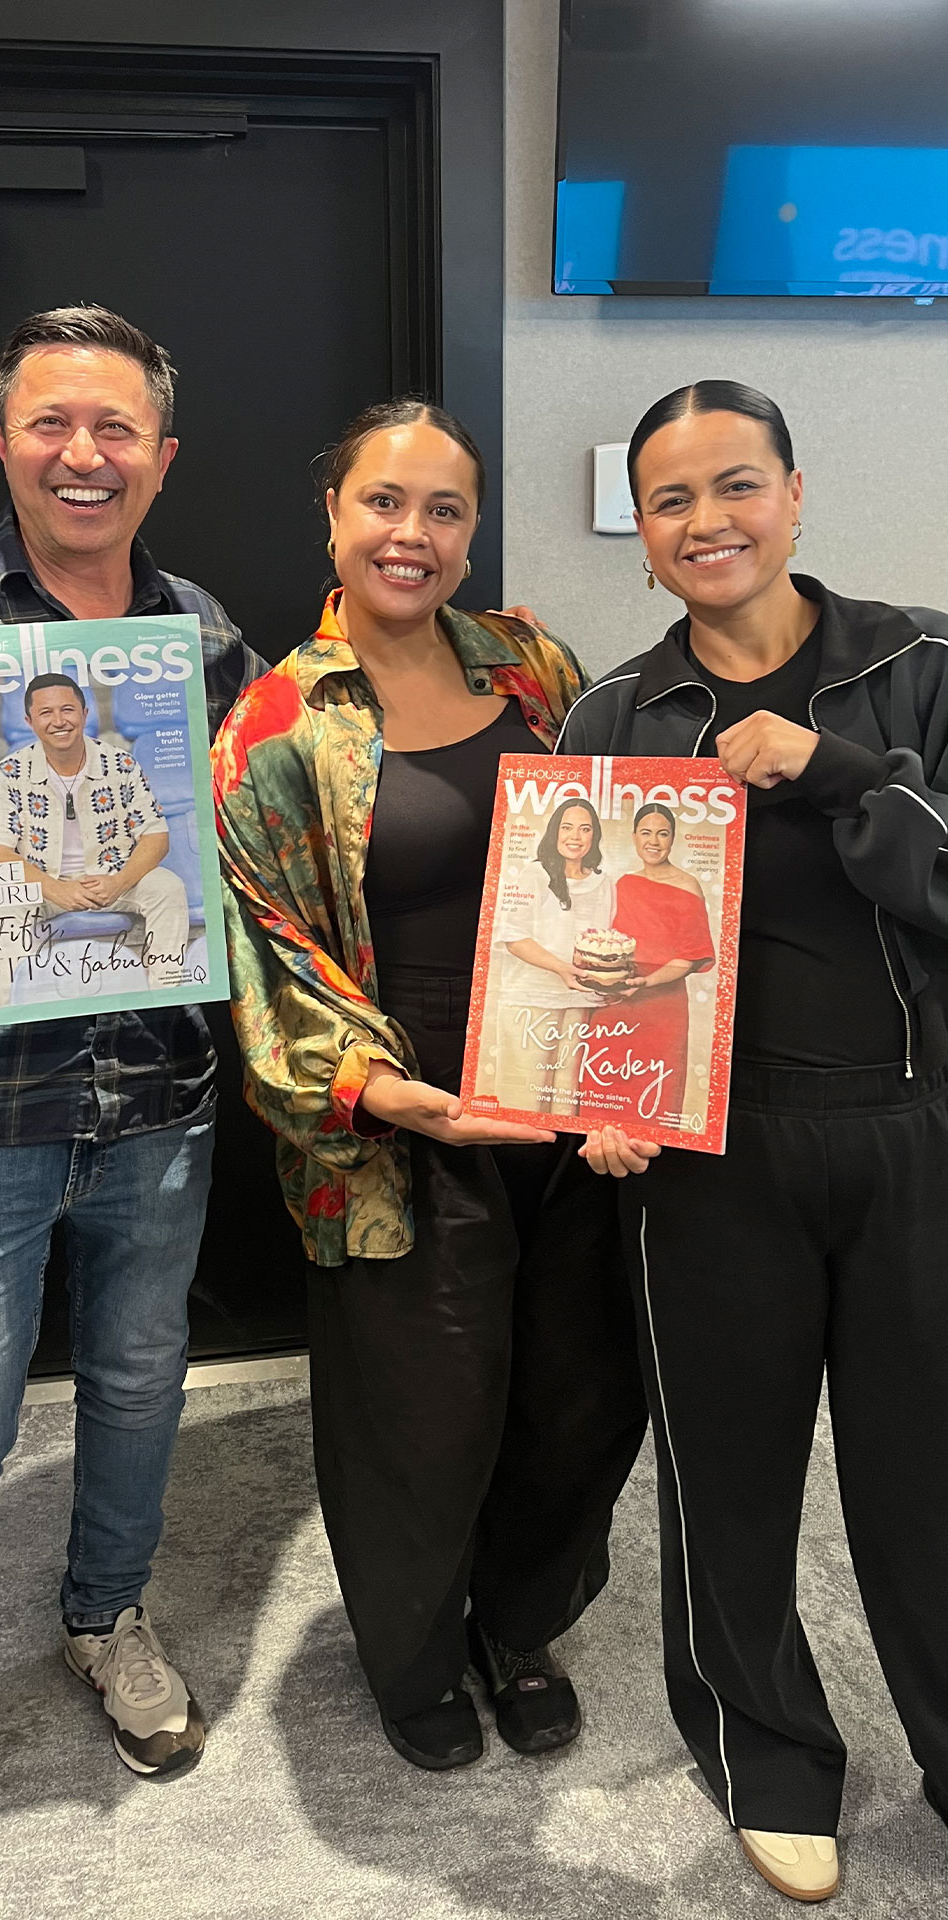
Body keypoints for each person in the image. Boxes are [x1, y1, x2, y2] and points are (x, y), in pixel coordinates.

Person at [0, 304, 266, 1902]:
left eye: (116, 431)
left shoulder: (202, 633)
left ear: (162, 461)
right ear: (4, 444)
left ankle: (106, 1617)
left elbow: (240, 852)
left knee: (143, 1384)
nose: (83, 455)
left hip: (157, 1093)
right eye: (52, 424)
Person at [214, 398, 646, 1773]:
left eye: (444, 508)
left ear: (471, 533)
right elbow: (264, 955)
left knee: (576, 1390)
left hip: (567, 1095)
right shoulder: (279, 725)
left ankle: (517, 1624)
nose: (414, 533)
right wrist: (388, 1095)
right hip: (403, 1125)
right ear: (332, 520)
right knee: (420, 1419)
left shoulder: (531, 665)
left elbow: (618, 855)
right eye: (385, 504)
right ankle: (412, 1654)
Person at [559, 379, 948, 1903]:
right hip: (708, 1164)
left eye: (735, 487)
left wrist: (838, 771)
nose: (706, 522)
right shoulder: (616, 715)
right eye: (671, 501)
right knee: (725, 1478)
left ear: (794, 496)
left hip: (915, 1133)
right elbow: (569, 945)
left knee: (927, 1478)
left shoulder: (918, 664)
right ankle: (769, 1755)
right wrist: (597, 1087)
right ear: (645, 538)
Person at [0, 672, 189, 991]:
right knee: (1, 905)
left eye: (67, 709)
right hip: (45, 883)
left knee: (168, 886)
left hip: (110, 876)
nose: (58, 720)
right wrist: (55, 888)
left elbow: (156, 834)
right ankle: (14, 1006)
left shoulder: (121, 764)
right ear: (29, 721)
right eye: (45, 712)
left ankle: (168, 991)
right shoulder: (10, 772)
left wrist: (118, 882)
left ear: (84, 714)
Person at [496, 796, 616, 1112]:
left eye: (584, 829)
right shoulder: (533, 874)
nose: (575, 837)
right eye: (567, 827)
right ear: (554, 831)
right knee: (528, 1099)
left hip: (580, 997)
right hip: (532, 998)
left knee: (566, 1098)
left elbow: (602, 939)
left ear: (595, 836)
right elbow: (513, 938)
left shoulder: (604, 883)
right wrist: (561, 968)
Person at [604, 802, 714, 1114]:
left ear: (672, 838)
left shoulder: (688, 885)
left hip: (663, 1008)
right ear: (634, 836)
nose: (654, 841)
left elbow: (689, 958)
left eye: (662, 833)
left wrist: (646, 981)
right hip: (615, 1005)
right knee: (604, 1093)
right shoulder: (623, 883)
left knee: (657, 1094)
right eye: (646, 833)